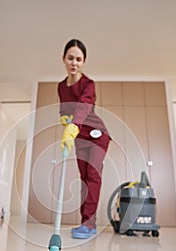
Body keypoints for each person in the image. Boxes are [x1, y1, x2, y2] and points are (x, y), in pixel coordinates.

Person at [58, 39, 111, 239]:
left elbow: (83, 106)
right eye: (70, 58)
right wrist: (64, 118)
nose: (74, 63)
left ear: (83, 61)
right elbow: (64, 108)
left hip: (97, 136)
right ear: (63, 59)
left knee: (93, 175)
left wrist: (73, 126)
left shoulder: (88, 84)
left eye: (78, 59)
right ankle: (86, 223)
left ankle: (89, 225)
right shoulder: (61, 86)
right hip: (79, 137)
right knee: (84, 180)